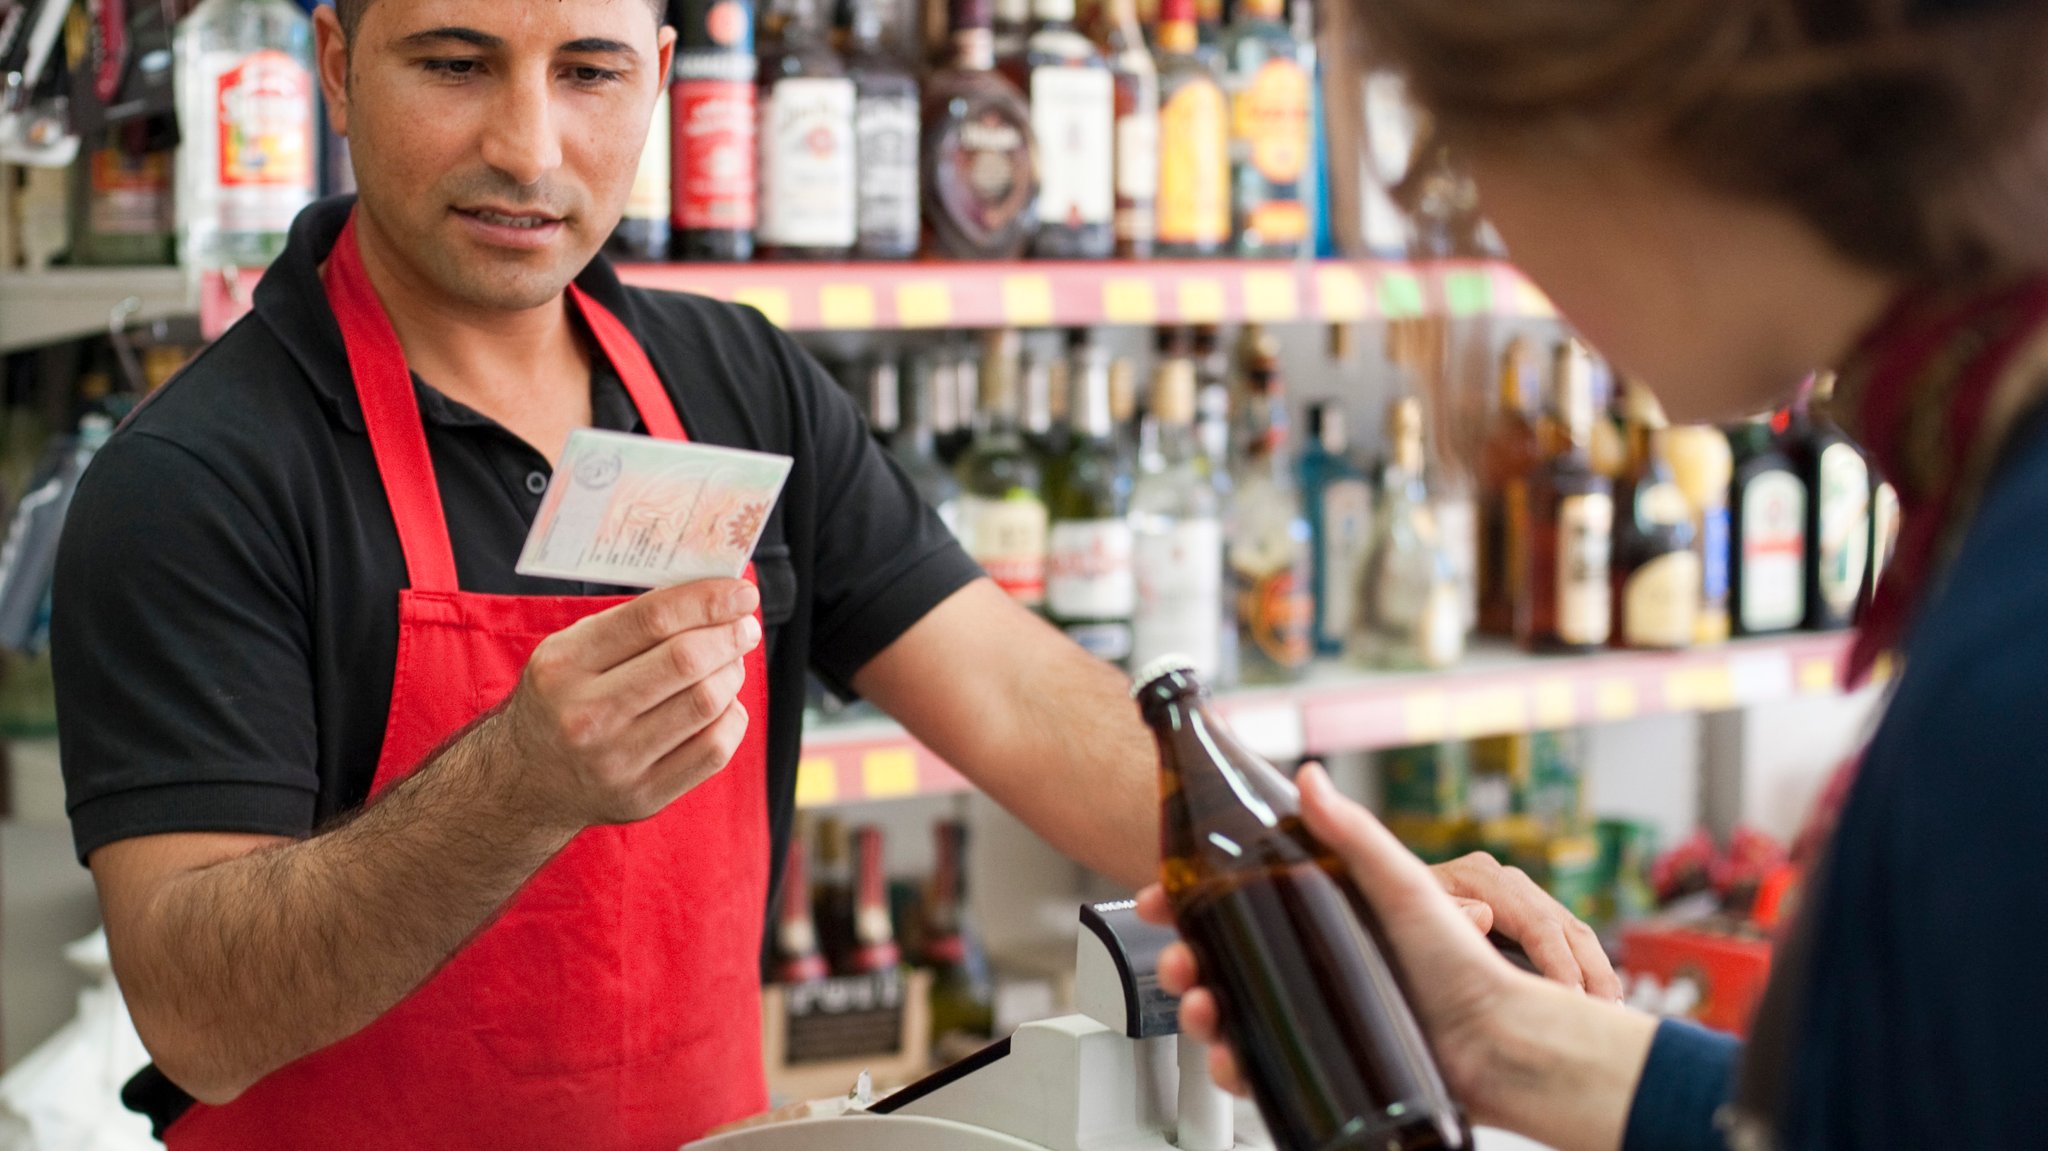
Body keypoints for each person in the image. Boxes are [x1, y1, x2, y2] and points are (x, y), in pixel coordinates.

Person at [49, 1, 1611, 1148]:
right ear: (337, 62)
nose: (527, 146)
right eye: (455, 62)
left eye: (588, 71)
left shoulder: (733, 381)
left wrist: (1344, 894)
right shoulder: (198, 478)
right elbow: (200, 1006)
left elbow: (1009, 686)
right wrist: (521, 778)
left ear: (662, 76)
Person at [1146, 0, 2048, 1148]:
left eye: (1454, 157)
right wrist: (1487, 1036)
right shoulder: (1986, 485)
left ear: (1609, 111)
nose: (1491, 234)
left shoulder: (2013, 658)